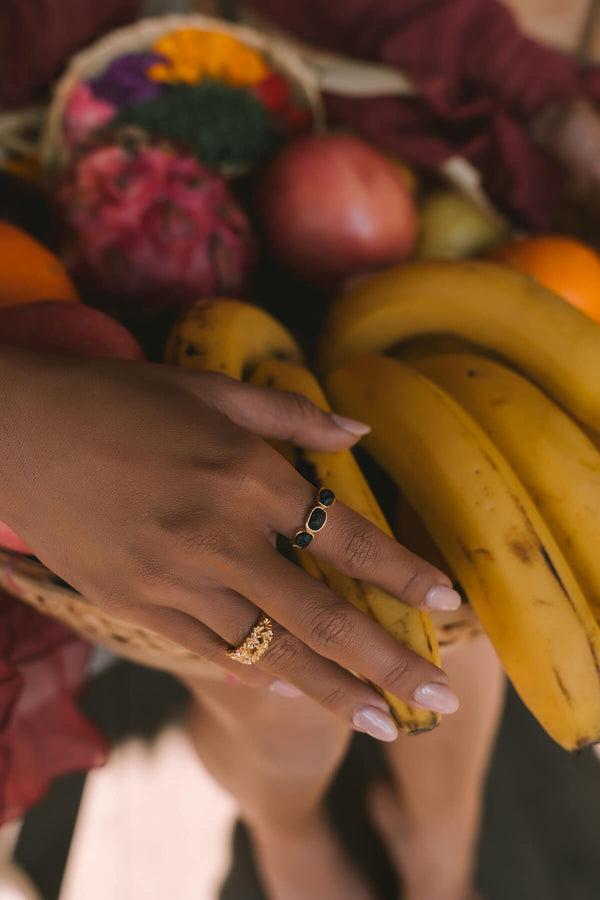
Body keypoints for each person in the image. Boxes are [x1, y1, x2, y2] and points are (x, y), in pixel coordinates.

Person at [1, 2, 599, 899]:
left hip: (317, 116)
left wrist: (556, 115)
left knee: (474, 565)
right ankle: (291, 834)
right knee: (257, 657)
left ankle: (440, 838)